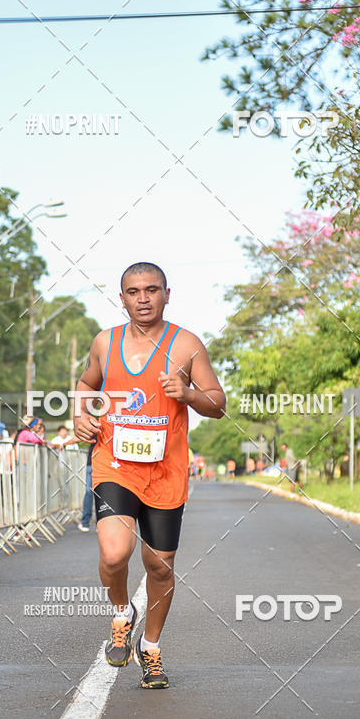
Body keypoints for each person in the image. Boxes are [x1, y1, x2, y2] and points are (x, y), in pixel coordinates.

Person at [74, 262, 226, 689]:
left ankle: (151, 648)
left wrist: (190, 394)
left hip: (166, 472)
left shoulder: (186, 345)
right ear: (121, 297)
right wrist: (80, 417)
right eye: (134, 291)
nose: (143, 298)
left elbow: (218, 402)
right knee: (113, 554)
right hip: (115, 464)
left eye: (151, 290)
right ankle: (122, 613)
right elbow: (86, 384)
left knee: (159, 567)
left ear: (166, 294)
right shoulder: (106, 342)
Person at [78, 441, 95, 533]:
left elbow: (79, 437)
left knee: (90, 492)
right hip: (94, 463)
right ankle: (86, 522)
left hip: (99, 464)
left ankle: (86, 522)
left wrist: (64, 444)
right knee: (91, 492)